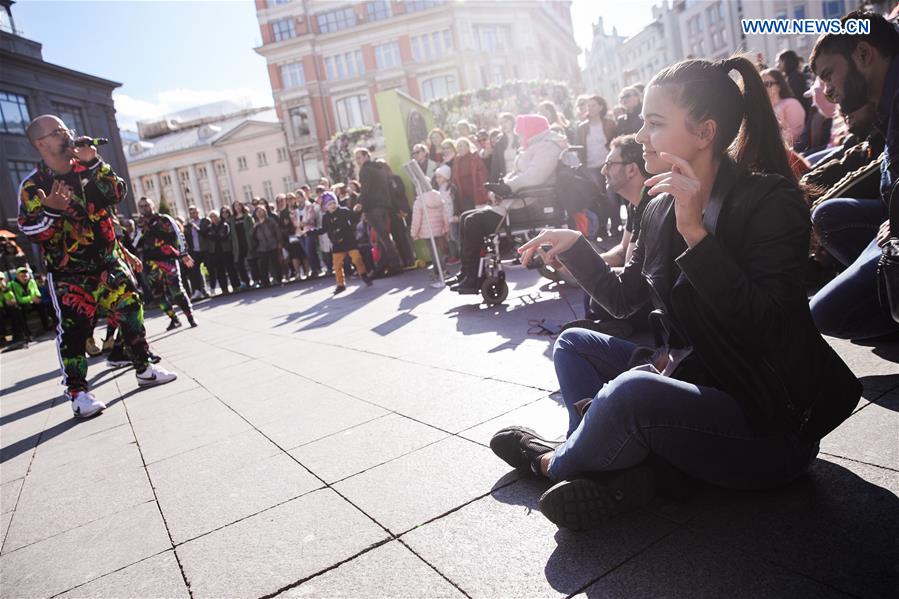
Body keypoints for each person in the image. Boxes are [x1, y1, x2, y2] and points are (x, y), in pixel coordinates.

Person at [489, 56, 861, 532]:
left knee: (633, 392)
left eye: (654, 123)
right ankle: (619, 470)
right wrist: (577, 249)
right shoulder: (659, 203)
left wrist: (697, 237)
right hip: (692, 375)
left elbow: (769, 327)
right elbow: (626, 300)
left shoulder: (770, 202)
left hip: (765, 425)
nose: (640, 136)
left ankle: (555, 464)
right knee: (574, 343)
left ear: (705, 133)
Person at [18, 115, 175, 418]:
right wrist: (51, 210)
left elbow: (117, 194)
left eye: (66, 129)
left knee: (131, 309)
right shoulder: (34, 185)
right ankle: (79, 394)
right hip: (69, 273)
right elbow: (32, 232)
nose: (66, 135)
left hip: (108, 261)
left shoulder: (86, 168)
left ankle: (144, 368)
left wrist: (95, 163)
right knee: (75, 332)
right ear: (42, 143)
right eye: (58, 132)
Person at [807, 9, 899, 340]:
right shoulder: (884, 104)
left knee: (825, 314)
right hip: (893, 219)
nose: (828, 91)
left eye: (829, 75)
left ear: (863, 54)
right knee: (829, 215)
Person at [451, 114, 567, 294]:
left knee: (473, 221)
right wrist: (500, 188)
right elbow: (516, 174)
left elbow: (535, 176)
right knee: (467, 216)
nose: (519, 137)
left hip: (530, 202)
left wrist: (505, 188)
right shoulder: (533, 146)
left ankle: (473, 276)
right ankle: (467, 271)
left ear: (531, 131)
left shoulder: (547, 147)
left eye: (521, 133)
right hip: (519, 198)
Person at [565, 135, 653, 337]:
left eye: (609, 164)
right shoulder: (636, 203)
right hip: (633, 291)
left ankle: (609, 328)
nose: (603, 170)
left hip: (645, 299)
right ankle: (606, 326)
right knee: (591, 288)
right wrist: (576, 263)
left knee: (597, 293)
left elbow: (640, 278)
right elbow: (623, 251)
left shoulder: (651, 204)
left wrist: (589, 267)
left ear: (631, 169)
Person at [134, 196, 197, 330]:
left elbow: (178, 234)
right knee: (158, 294)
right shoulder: (139, 224)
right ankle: (174, 319)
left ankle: (190, 317)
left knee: (176, 290)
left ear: (153, 206)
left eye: (147, 205)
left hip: (168, 260)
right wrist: (139, 231)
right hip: (151, 263)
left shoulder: (164, 219)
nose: (144, 208)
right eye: (141, 206)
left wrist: (184, 253)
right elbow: (135, 244)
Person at [310, 192, 373, 294]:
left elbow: (354, 218)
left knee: (357, 259)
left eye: (333, 203)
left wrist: (357, 211)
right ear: (326, 207)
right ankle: (340, 284)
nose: (332, 206)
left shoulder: (343, 211)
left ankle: (363, 274)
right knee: (337, 265)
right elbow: (323, 229)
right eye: (329, 204)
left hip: (349, 241)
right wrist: (310, 232)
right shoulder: (326, 217)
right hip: (337, 243)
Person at [354, 147, 403, 277]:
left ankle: (394, 265)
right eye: (356, 159)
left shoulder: (365, 170)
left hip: (373, 208)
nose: (357, 161)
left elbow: (366, 190)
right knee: (383, 238)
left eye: (359, 157)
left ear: (366, 156)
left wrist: (362, 207)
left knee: (383, 238)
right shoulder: (380, 168)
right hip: (384, 207)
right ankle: (383, 267)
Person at [576, 95, 619, 237]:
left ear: (601, 107)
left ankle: (616, 225)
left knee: (612, 195)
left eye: (593, 105)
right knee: (598, 198)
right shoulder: (582, 127)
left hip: (608, 164)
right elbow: (579, 148)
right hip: (591, 167)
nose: (590, 108)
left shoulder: (609, 124)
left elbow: (615, 142)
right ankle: (601, 227)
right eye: (588, 105)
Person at [761, 68, 806, 146]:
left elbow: (796, 132)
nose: (763, 88)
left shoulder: (791, 103)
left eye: (767, 84)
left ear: (779, 85)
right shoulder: (762, 107)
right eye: (760, 85)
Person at [410, 184, 451, 267]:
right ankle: (441, 269)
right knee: (440, 250)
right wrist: (446, 228)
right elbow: (445, 214)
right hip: (439, 229)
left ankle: (440, 271)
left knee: (433, 252)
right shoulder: (438, 197)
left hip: (427, 231)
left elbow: (416, 220)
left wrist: (414, 233)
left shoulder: (419, 202)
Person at [9, 267, 53, 339]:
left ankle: (46, 325)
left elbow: (36, 292)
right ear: (17, 276)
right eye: (22, 276)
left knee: (41, 304)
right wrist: (30, 298)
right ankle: (27, 332)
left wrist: (34, 298)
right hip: (22, 304)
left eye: (26, 275)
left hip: (32, 302)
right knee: (19, 310)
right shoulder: (13, 285)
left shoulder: (32, 281)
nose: (25, 277)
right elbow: (18, 299)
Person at [203, 210, 240, 294]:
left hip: (226, 250)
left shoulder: (225, 225)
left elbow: (225, 236)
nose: (214, 218)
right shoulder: (209, 227)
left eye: (215, 216)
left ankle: (236, 286)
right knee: (220, 271)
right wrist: (216, 236)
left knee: (231, 269)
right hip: (215, 252)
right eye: (212, 217)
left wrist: (214, 237)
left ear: (218, 217)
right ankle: (224, 289)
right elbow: (208, 236)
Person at [451, 138, 489, 213]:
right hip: (463, 194)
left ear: (468, 147)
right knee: (468, 213)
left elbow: (483, 175)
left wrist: (481, 189)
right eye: (458, 146)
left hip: (476, 191)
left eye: (462, 146)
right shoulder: (456, 161)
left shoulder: (475, 158)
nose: (460, 148)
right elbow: (454, 178)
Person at [250, 205, 282, 287]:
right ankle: (265, 281)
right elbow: (252, 235)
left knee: (276, 263)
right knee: (263, 265)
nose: (260, 213)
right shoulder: (255, 223)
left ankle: (278, 279)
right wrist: (255, 227)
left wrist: (279, 242)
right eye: (258, 212)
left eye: (262, 211)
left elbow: (277, 231)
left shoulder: (270, 220)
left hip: (273, 244)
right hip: (262, 247)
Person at [183, 205, 211, 299]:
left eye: (194, 212)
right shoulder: (188, 225)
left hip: (206, 249)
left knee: (209, 269)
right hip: (194, 251)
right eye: (191, 213)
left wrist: (196, 228)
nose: (193, 214)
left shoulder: (205, 221)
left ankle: (209, 289)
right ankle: (198, 291)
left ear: (198, 212)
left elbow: (206, 233)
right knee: (195, 272)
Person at [777, 49, 812, 114]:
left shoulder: (795, 78)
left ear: (786, 62)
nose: (777, 65)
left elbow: (796, 99)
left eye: (779, 62)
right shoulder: (794, 76)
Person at [229, 201, 254, 287]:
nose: (238, 207)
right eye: (235, 206)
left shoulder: (247, 217)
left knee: (252, 261)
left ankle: (256, 279)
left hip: (248, 242)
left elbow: (252, 228)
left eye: (239, 205)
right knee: (239, 264)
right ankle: (245, 281)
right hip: (238, 244)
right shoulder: (232, 219)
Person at [488, 113, 518, 183]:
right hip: (506, 180)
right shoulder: (499, 143)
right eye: (501, 123)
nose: (503, 125)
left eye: (506, 121)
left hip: (521, 179)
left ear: (512, 122)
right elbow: (495, 167)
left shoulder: (521, 138)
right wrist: (493, 185)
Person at [0, 271, 27, 346]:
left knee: (15, 308)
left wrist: (5, 290)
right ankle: (2, 338)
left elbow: (12, 299)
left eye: (1, 279)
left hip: (6, 308)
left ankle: (18, 334)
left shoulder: (7, 286)